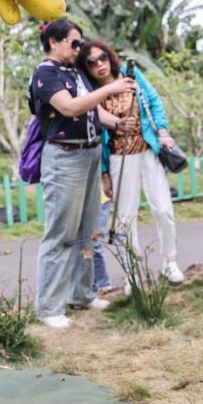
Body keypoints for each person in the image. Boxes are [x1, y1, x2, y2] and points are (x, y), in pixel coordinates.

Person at [30, 19, 138, 329]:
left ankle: (82, 294)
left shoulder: (75, 72)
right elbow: (70, 108)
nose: (79, 49)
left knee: (89, 231)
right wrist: (111, 89)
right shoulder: (45, 74)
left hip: (90, 153)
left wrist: (117, 123)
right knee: (61, 233)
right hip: (64, 158)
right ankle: (49, 307)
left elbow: (93, 111)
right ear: (54, 42)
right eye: (74, 43)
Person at [77, 39, 184, 289]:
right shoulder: (92, 91)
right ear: (86, 68)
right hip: (119, 158)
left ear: (109, 56)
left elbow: (154, 101)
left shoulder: (130, 75)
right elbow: (97, 132)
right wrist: (105, 173)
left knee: (164, 209)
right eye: (91, 62)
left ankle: (170, 262)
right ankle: (132, 272)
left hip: (148, 151)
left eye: (102, 57)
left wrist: (163, 131)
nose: (99, 64)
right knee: (125, 217)